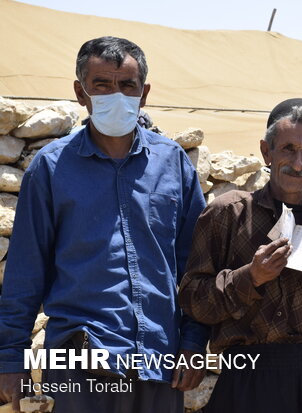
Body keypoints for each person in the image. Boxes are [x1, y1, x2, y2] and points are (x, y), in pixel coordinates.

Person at [0, 36, 208, 413]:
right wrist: (9, 359)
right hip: (80, 363)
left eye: (127, 85)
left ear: (144, 94)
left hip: (158, 360)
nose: (116, 94)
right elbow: (25, 272)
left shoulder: (173, 163)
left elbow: (197, 265)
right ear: (81, 93)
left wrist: (194, 341)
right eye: (102, 85)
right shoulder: (51, 168)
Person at [179, 98, 302, 413]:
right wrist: (251, 278)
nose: (298, 163)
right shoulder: (226, 214)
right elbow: (192, 299)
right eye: (287, 149)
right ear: (266, 152)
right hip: (247, 378)